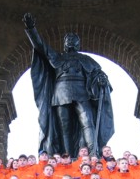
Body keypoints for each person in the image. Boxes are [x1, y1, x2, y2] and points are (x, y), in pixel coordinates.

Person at [22, 13, 115, 157]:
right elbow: (41, 46)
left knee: (87, 122)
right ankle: (67, 155)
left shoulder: (86, 59)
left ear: (78, 44)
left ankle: (93, 154)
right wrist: (31, 29)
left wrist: (102, 81)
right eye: (68, 39)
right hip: (61, 93)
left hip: (82, 93)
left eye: (74, 39)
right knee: (64, 127)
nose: (70, 41)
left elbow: (98, 74)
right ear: (64, 44)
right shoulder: (57, 57)